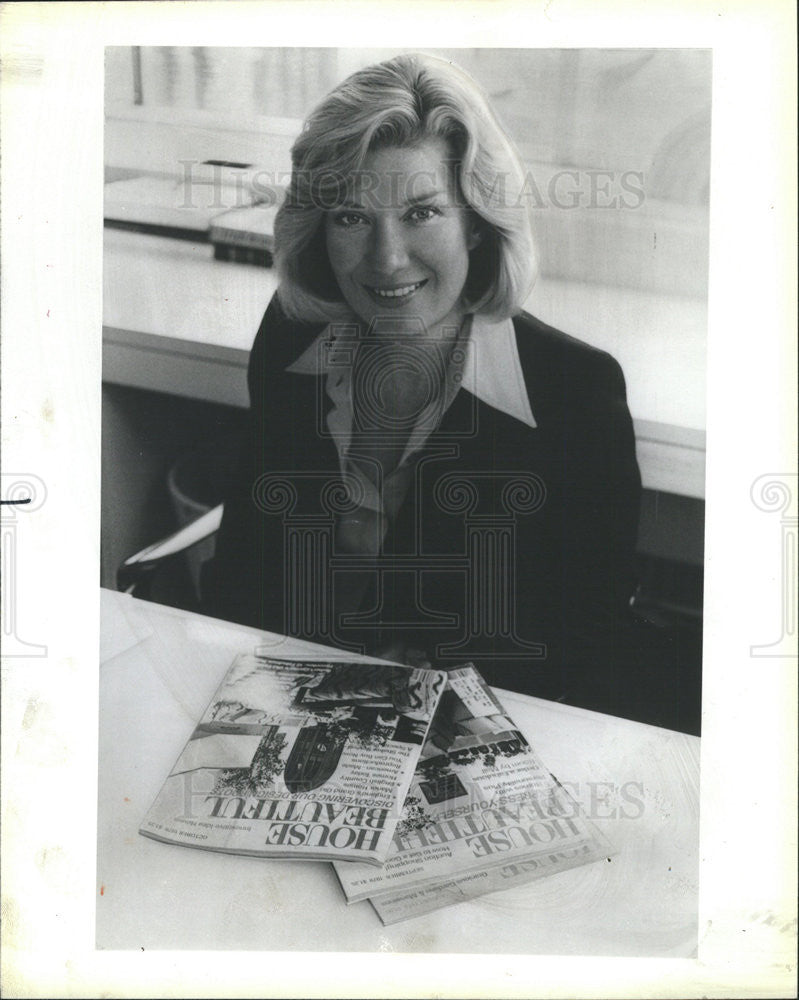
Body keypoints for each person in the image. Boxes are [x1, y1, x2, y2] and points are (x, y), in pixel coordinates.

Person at [203, 53, 698, 731]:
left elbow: (582, 644)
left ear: (475, 218)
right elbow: (246, 566)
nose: (386, 259)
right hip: (296, 712)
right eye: (350, 217)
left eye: (421, 212)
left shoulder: (572, 394)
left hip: (471, 736)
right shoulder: (293, 336)